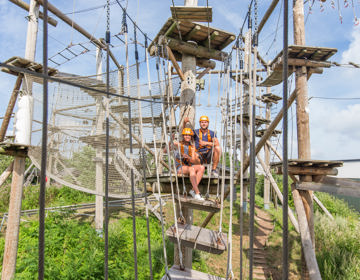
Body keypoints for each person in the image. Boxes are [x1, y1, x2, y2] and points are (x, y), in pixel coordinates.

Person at [170, 127, 205, 201]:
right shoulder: (178, 144)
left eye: (189, 135)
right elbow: (167, 149)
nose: (187, 136)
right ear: (183, 136)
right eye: (185, 135)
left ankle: (193, 190)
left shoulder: (192, 147)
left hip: (189, 166)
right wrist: (171, 139)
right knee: (191, 168)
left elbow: (193, 160)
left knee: (201, 167)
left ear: (191, 137)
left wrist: (188, 158)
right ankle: (197, 193)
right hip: (180, 167)